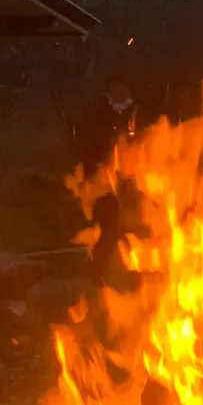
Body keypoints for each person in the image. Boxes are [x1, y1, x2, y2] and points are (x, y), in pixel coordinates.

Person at [76, 75, 137, 284]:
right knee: (110, 228)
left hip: (116, 182)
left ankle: (106, 275)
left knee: (118, 228)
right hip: (100, 183)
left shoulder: (122, 113)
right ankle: (94, 276)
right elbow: (93, 148)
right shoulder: (100, 115)